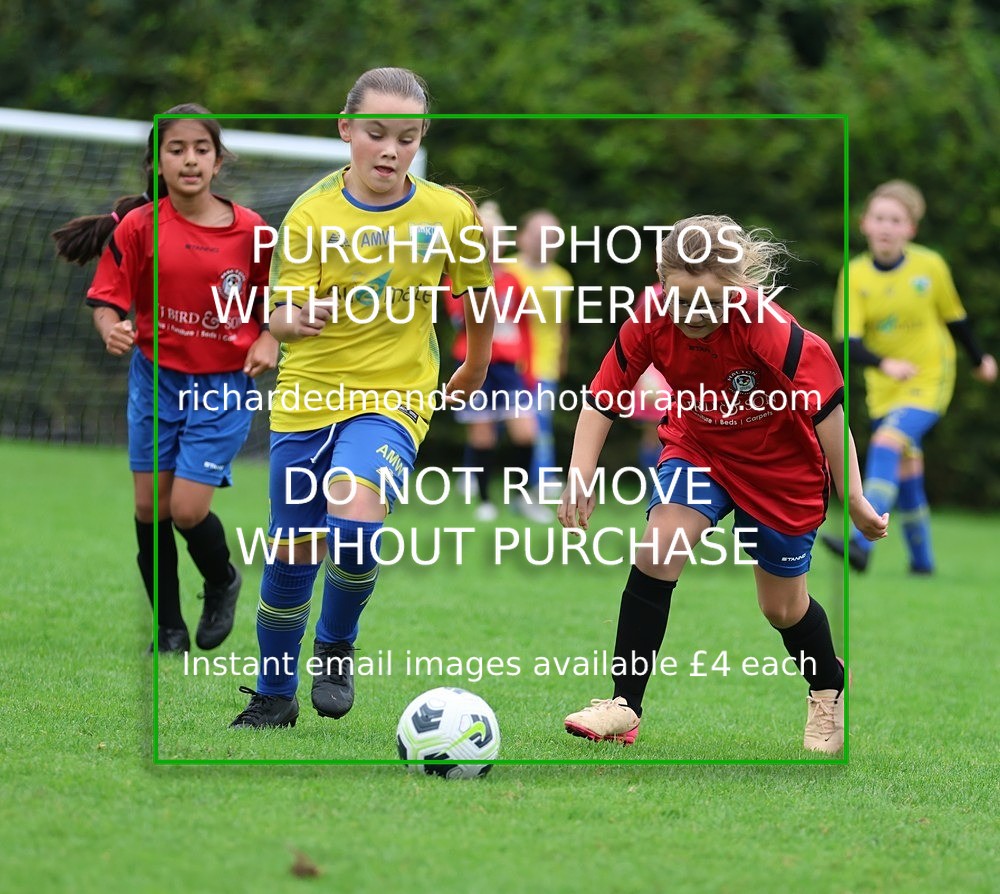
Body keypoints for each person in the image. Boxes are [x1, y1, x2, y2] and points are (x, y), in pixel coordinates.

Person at [559, 215, 887, 754]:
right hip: (700, 446)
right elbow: (603, 395)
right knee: (658, 545)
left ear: (737, 289)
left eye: (708, 302)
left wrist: (852, 497)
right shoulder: (650, 320)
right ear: (661, 284)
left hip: (781, 470)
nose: (692, 315)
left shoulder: (769, 330)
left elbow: (829, 411)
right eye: (680, 299)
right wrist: (579, 472)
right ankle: (623, 705)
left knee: (782, 609)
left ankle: (827, 682)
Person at [230, 67, 494, 729]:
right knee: (292, 550)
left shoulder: (446, 212)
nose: (390, 149)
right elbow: (280, 313)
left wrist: (478, 362)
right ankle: (272, 696)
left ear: (420, 140)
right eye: (375, 133)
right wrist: (297, 317)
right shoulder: (310, 214)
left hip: (395, 396)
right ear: (346, 130)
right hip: (307, 399)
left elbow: (479, 296)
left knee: (354, 520)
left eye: (406, 138)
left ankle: (337, 644)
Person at [52, 104, 278, 654]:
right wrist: (111, 328)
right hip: (155, 382)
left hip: (221, 388)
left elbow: (281, 301)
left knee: (187, 510)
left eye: (201, 149)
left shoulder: (253, 231)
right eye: (176, 150)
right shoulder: (138, 226)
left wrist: (270, 337)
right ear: (157, 162)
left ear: (219, 161)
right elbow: (106, 300)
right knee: (150, 509)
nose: (189, 159)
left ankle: (222, 580)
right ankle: (169, 629)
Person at [822, 180, 996, 574]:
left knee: (886, 441)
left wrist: (978, 358)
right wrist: (886, 365)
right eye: (880, 218)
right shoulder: (854, 274)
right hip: (885, 389)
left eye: (896, 220)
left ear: (910, 229)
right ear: (865, 224)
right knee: (907, 473)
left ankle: (859, 544)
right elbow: (847, 342)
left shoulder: (930, 266)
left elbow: (956, 318)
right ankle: (922, 563)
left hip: (930, 379)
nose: (886, 226)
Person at [447, 201, 546, 522]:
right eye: (485, 238)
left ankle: (521, 497)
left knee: (526, 433)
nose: (491, 245)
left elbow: (524, 327)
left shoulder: (513, 281)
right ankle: (486, 501)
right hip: (475, 367)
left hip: (507, 369)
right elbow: (457, 317)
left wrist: (528, 368)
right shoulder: (458, 279)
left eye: (496, 239)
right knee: (482, 436)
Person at [508, 209, 574, 488]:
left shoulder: (562, 279)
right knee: (488, 420)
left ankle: (541, 478)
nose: (546, 241)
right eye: (539, 234)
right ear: (522, 237)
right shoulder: (507, 270)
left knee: (540, 424)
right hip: (509, 359)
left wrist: (562, 358)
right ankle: (474, 475)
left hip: (544, 363)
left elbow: (562, 323)